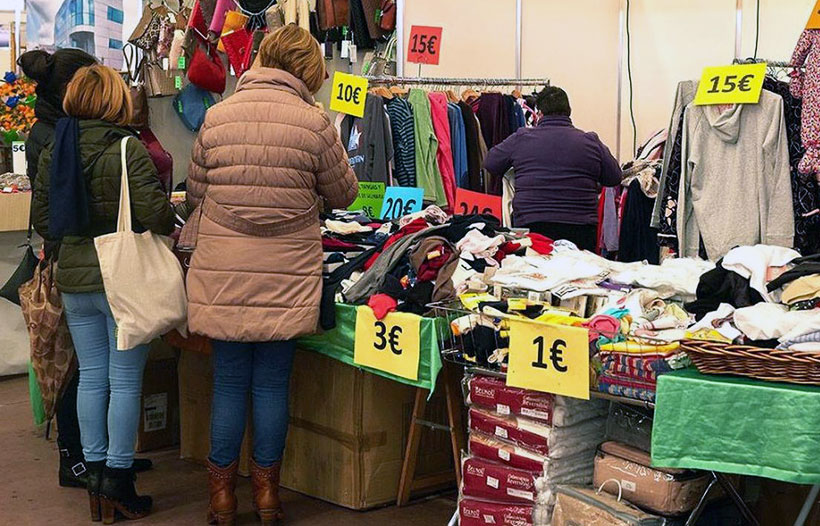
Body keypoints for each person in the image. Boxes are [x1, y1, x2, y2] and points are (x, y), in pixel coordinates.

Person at [180, 24, 357, 525]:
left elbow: (195, 196)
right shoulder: (314, 123)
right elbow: (344, 194)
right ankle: (267, 498)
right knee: (273, 385)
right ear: (308, 70)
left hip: (223, 272)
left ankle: (221, 498)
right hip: (286, 273)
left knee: (229, 383)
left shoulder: (218, 116)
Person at [31, 64, 175, 523]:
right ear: (114, 101)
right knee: (125, 381)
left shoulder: (55, 150)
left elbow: (44, 220)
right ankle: (118, 479)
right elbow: (156, 215)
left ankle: (93, 477)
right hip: (122, 281)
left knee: (92, 377)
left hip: (75, 280)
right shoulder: (128, 149)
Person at [484, 86, 622, 251]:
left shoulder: (522, 138)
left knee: (533, 267)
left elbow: (491, 163)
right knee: (577, 268)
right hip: (580, 228)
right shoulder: (590, 141)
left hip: (532, 226)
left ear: (539, 112)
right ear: (569, 111)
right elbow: (614, 177)